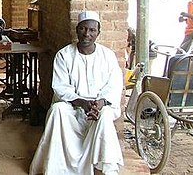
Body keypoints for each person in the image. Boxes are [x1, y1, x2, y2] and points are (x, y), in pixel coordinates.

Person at [30, 10, 124, 175]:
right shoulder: (64, 55)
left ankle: (103, 169)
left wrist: (99, 103)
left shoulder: (107, 56)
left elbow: (114, 85)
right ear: (77, 29)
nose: (87, 34)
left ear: (98, 33)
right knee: (57, 110)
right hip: (74, 105)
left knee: (106, 115)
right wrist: (82, 103)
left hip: (99, 106)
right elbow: (61, 87)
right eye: (83, 29)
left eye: (92, 30)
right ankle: (57, 167)